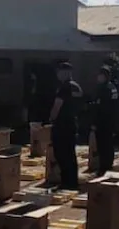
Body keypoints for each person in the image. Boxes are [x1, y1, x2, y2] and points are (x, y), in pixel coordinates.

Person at [49, 61, 83, 190]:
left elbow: (57, 106)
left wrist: (51, 118)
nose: (58, 74)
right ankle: (72, 181)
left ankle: (66, 182)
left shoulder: (64, 88)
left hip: (62, 125)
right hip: (72, 123)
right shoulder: (76, 87)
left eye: (60, 71)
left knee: (61, 154)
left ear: (65, 73)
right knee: (70, 154)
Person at [93, 65, 119, 176]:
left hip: (103, 121)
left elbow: (102, 107)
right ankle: (107, 165)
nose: (98, 77)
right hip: (110, 120)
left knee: (103, 144)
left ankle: (104, 166)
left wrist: (95, 121)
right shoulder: (112, 87)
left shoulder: (105, 88)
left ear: (104, 76)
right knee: (108, 144)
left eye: (100, 75)